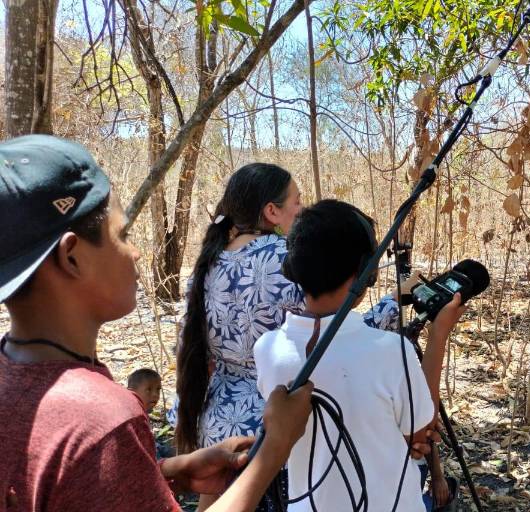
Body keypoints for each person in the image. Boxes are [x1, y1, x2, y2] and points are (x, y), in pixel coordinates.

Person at [0, 135, 313, 512]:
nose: (135, 252)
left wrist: (163, 471)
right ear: (72, 257)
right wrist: (275, 447)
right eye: (122, 235)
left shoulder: (14, 384)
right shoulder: (103, 423)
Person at [174, 164, 406, 509]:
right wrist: (394, 303)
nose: (301, 208)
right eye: (296, 201)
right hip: (273, 430)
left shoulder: (207, 262)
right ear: (272, 211)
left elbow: (188, 347)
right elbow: (336, 333)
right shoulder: (286, 260)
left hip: (216, 425)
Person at [254, 199, 465, 511]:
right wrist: (438, 337)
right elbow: (421, 432)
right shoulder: (392, 351)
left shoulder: (266, 349)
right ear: (365, 273)